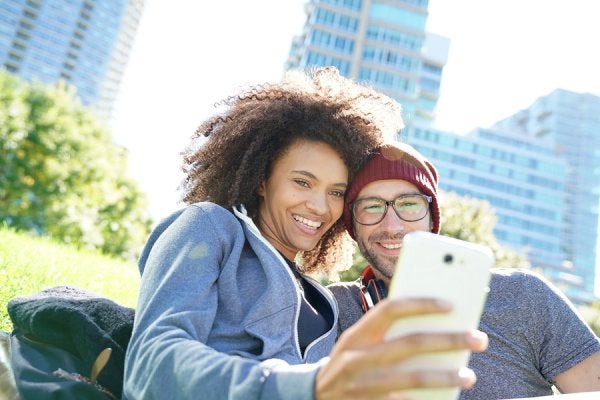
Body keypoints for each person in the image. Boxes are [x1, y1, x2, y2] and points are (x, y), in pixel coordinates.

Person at [122, 67, 488, 400]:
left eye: (336, 192)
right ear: (262, 180)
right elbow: (152, 363)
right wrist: (310, 384)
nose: (319, 206)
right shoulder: (210, 227)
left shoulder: (322, 298)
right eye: (302, 182)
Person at [329, 141, 600, 399]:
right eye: (371, 206)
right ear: (353, 224)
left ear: (431, 217)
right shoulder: (330, 310)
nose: (391, 225)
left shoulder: (525, 296)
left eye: (408, 204)